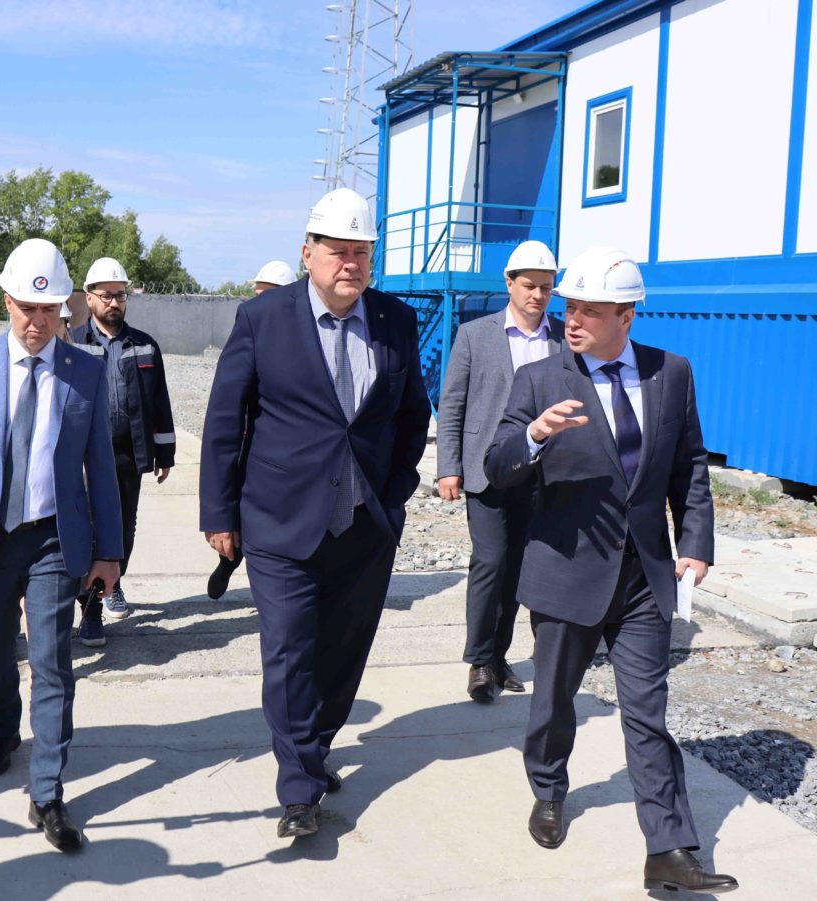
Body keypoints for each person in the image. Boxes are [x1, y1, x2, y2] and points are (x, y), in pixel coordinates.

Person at [484, 248, 738, 894]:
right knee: (552, 700)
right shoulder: (541, 378)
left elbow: (690, 466)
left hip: (644, 577)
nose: (571, 319)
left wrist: (695, 542)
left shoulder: (670, 373)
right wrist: (534, 436)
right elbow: (498, 464)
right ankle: (548, 787)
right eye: (569, 307)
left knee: (648, 714)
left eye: (589, 310)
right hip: (566, 570)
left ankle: (669, 846)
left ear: (627, 316)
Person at [200, 188, 430, 839]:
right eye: (338, 251)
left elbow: (413, 415)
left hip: (365, 523)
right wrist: (219, 513)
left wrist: (394, 492)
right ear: (308, 253)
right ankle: (299, 786)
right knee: (290, 651)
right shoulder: (262, 318)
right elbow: (225, 421)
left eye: (362, 252)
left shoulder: (395, 320)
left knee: (343, 652)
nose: (350, 264)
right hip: (280, 520)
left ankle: (316, 745)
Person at [0, 237, 122, 853]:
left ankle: (47, 791)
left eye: (48, 310)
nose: (37, 323)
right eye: (26, 309)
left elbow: (101, 467)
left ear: (64, 307)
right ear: (6, 301)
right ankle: (3, 730)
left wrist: (109, 551)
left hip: (53, 541)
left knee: (51, 662)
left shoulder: (86, 371)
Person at [436, 240, 564, 702]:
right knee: (490, 562)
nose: (538, 295)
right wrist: (448, 467)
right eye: (529, 286)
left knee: (518, 569)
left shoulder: (561, 338)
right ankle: (479, 660)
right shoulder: (475, 335)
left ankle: (499, 656)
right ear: (509, 283)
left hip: (540, 473)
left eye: (546, 288)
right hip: (485, 469)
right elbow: (452, 404)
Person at [71, 256, 174, 645]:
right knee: (89, 529)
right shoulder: (72, 343)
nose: (115, 302)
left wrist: (165, 454)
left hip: (129, 452)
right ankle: (91, 609)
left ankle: (110, 583)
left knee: (122, 529)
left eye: (121, 295)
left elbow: (160, 402)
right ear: (89, 298)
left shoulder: (144, 345)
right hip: (83, 455)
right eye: (107, 295)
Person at [206, 258, 298, 601]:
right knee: (239, 501)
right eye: (256, 294)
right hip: (246, 437)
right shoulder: (249, 324)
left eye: (266, 294)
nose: (258, 301)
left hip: (279, 449)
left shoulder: (303, 338)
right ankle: (228, 559)